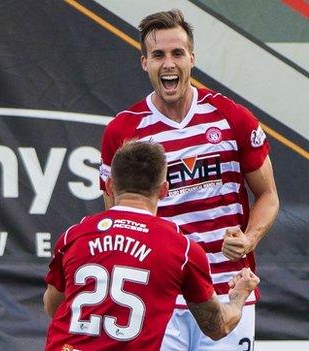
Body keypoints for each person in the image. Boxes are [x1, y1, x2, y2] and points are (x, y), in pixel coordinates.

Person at [99, 9, 279, 351]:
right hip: (158, 295)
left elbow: (269, 195)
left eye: (177, 53)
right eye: (158, 55)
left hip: (228, 289)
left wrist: (250, 238)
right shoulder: (123, 132)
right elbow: (117, 218)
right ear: (144, 63)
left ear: (191, 59)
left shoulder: (232, 117)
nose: (169, 63)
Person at [44, 141, 260, 351]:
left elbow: (53, 307)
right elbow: (217, 326)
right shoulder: (181, 249)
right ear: (164, 189)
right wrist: (239, 295)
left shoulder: (74, 236)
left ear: (110, 185)